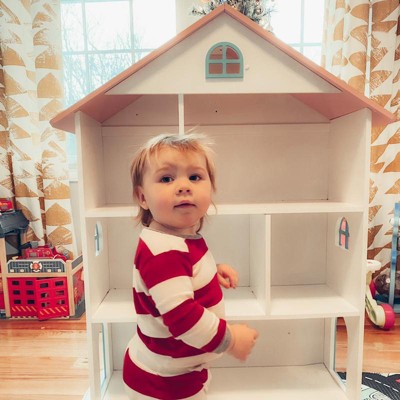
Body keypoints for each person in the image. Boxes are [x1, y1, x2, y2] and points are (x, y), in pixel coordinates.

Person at [123, 133, 259, 399]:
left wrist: (210, 271)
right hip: (165, 382)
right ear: (142, 197)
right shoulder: (164, 253)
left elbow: (178, 277)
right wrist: (231, 339)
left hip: (176, 365)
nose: (183, 186)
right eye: (166, 178)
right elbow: (183, 318)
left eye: (194, 177)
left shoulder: (174, 239)